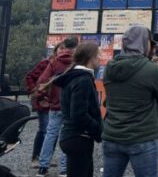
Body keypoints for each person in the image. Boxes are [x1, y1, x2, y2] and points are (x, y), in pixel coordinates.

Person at [102, 26, 158, 177]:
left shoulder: (109, 68)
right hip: (143, 136)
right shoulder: (153, 70)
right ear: (145, 43)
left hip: (112, 135)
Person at [54, 41, 102, 177]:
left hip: (72, 137)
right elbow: (78, 114)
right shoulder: (83, 80)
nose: (100, 58)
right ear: (90, 57)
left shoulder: (74, 76)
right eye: (98, 55)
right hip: (78, 138)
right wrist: (98, 129)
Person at [36, 36, 77, 176]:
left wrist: (44, 96)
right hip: (71, 106)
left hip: (55, 105)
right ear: (76, 48)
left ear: (64, 47)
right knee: (67, 135)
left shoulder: (54, 62)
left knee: (50, 134)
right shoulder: (78, 63)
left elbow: (42, 80)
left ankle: (43, 167)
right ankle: (64, 169)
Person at [25, 47, 57, 168]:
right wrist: (35, 91)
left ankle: (46, 157)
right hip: (42, 101)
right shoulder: (45, 63)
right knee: (44, 129)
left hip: (55, 103)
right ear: (56, 51)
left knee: (54, 131)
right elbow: (29, 76)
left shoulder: (64, 66)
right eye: (61, 49)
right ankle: (36, 157)